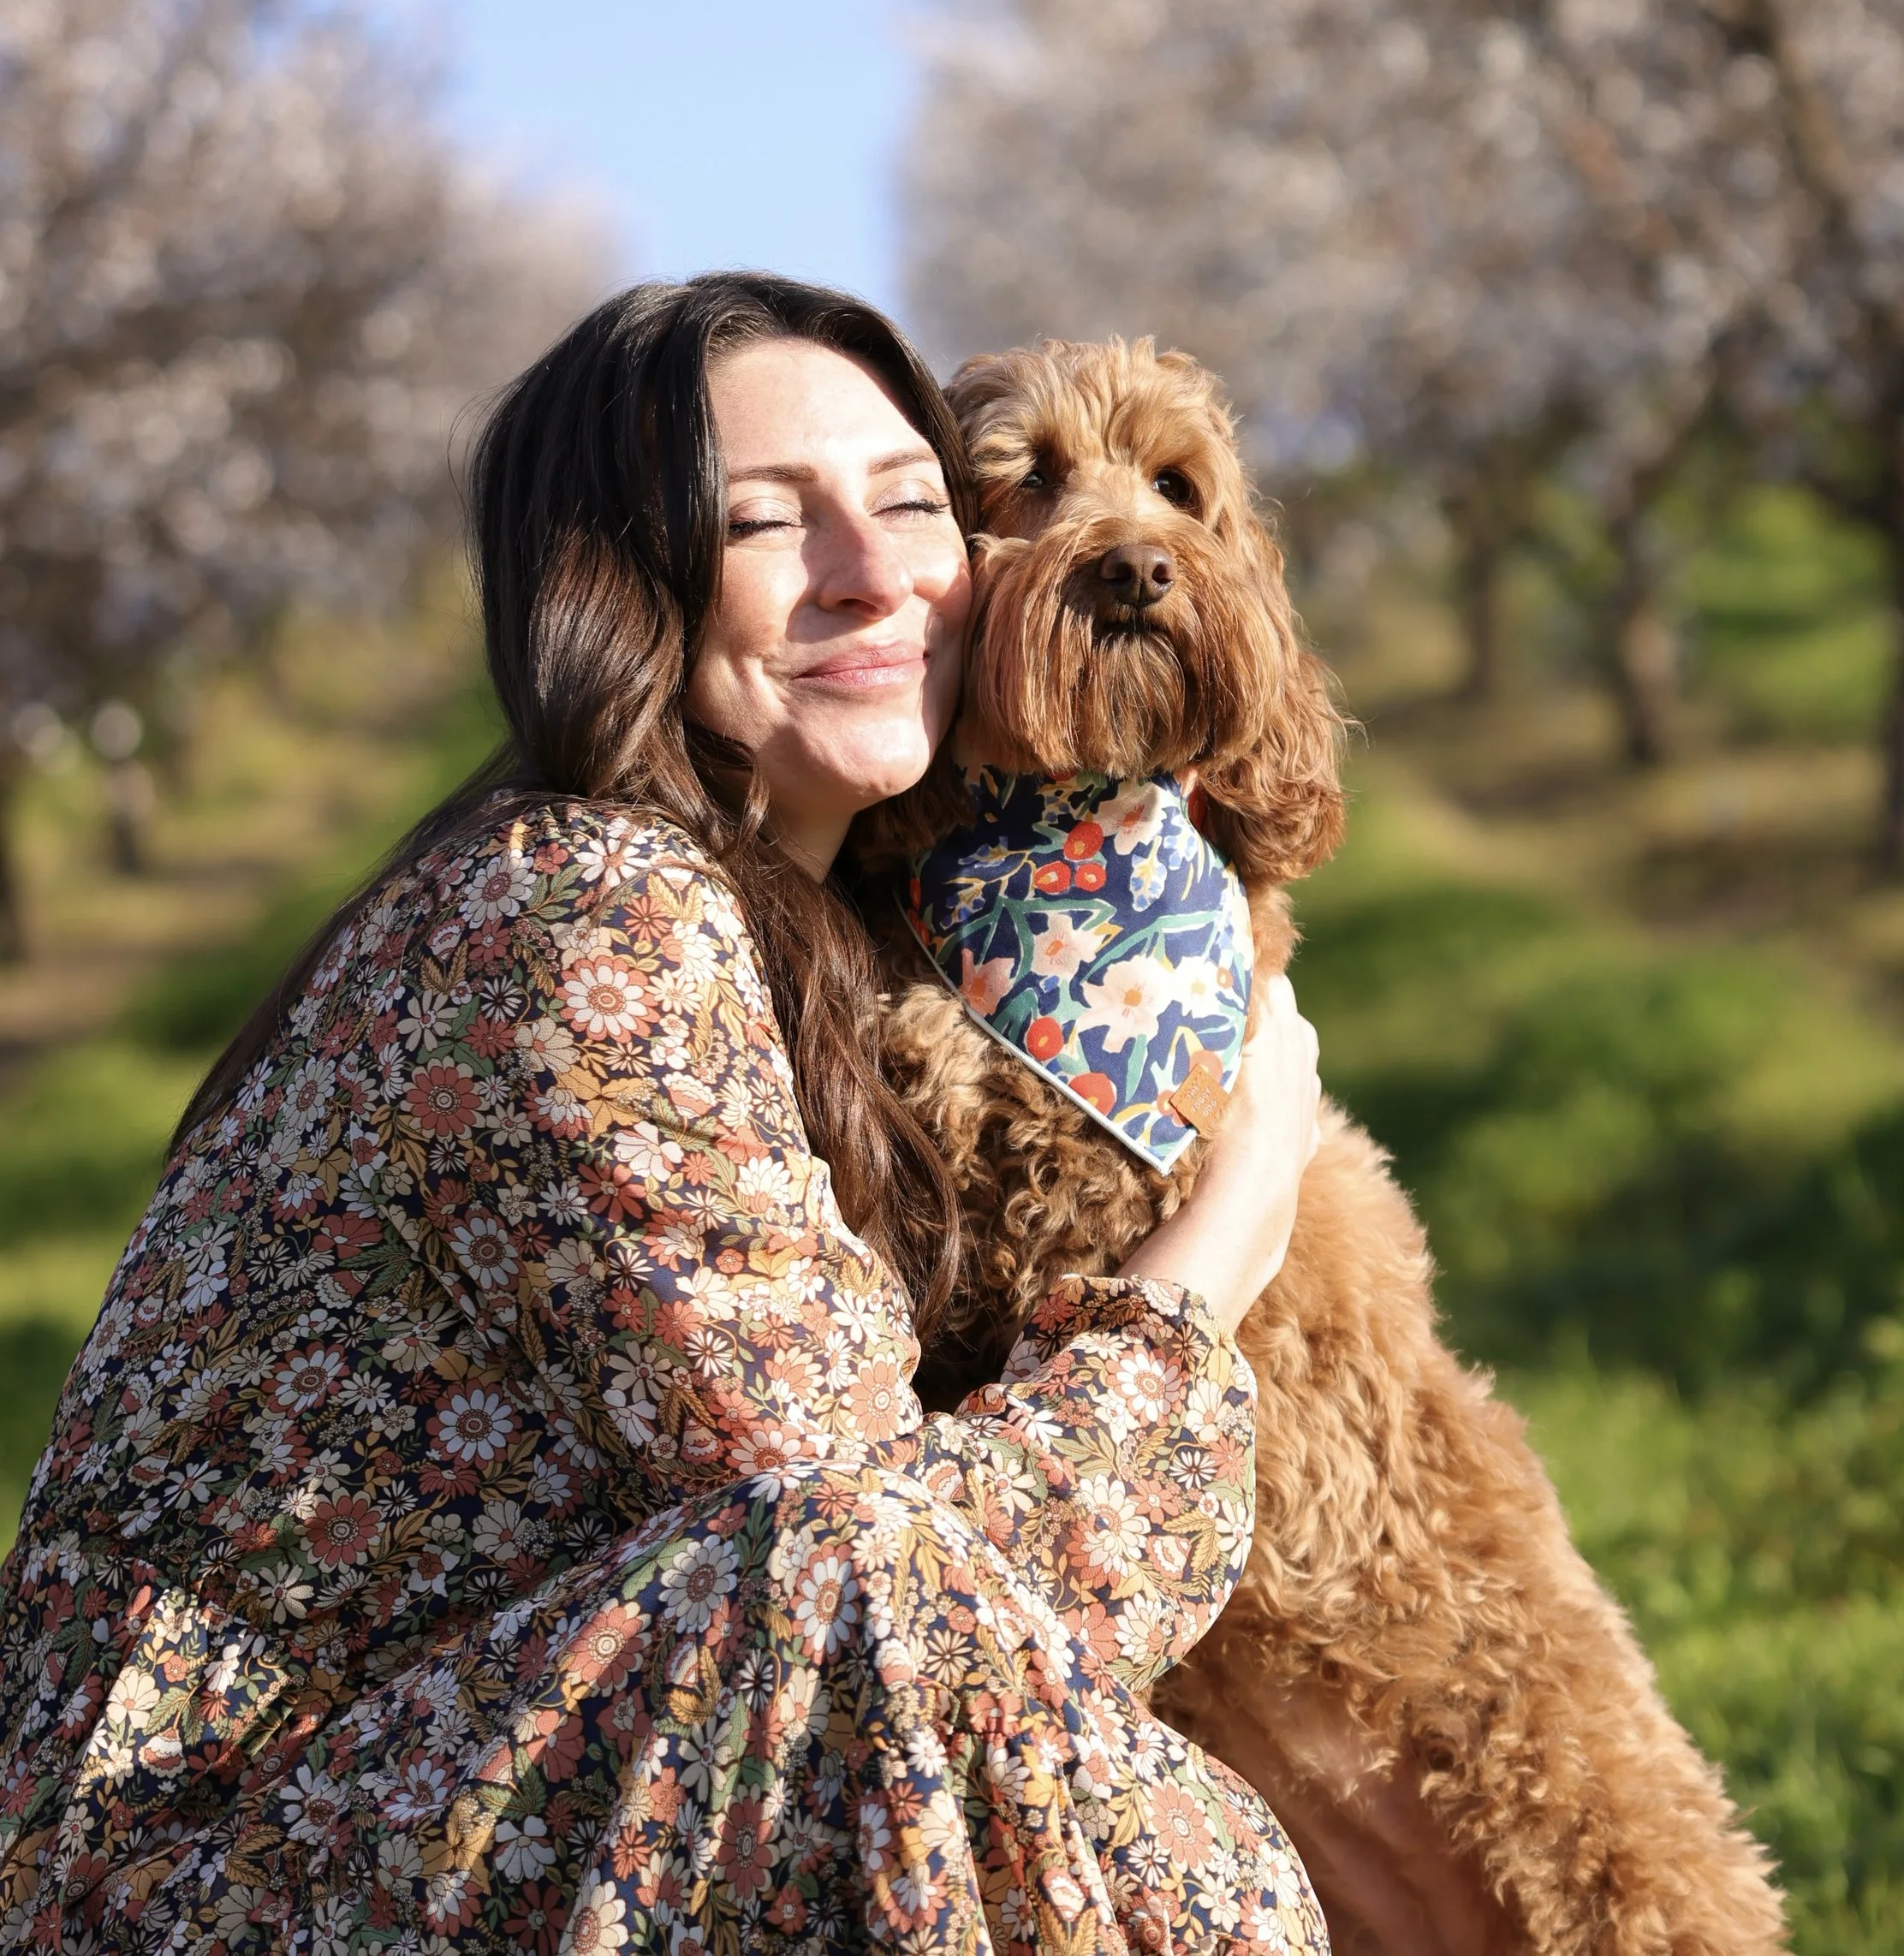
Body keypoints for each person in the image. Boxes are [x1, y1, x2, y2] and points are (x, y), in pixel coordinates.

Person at [0, 273, 1328, 1955]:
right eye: (770, 524)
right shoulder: (579, 909)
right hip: (195, 1872)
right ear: (623, 590)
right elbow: (881, 1598)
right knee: (1087, 1807)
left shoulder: (806, 938)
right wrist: (1212, 1252)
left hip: (453, 1776)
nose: (871, 576)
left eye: (912, 504)